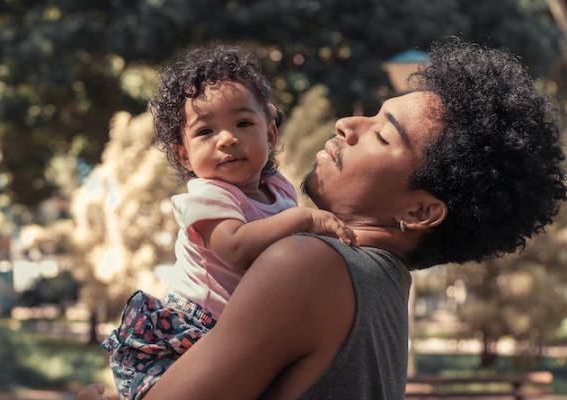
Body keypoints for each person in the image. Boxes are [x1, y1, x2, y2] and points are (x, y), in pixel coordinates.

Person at [79, 40, 566, 400]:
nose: (348, 125)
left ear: (420, 211)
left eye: (382, 134)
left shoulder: (308, 264)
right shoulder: (379, 281)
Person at [100, 45, 356, 400]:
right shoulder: (208, 196)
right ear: (184, 154)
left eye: (244, 123)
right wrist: (306, 219)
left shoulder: (278, 188)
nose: (228, 138)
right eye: (206, 132)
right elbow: (236, 248)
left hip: (243, 327)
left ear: (269, 133)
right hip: (194, 328)